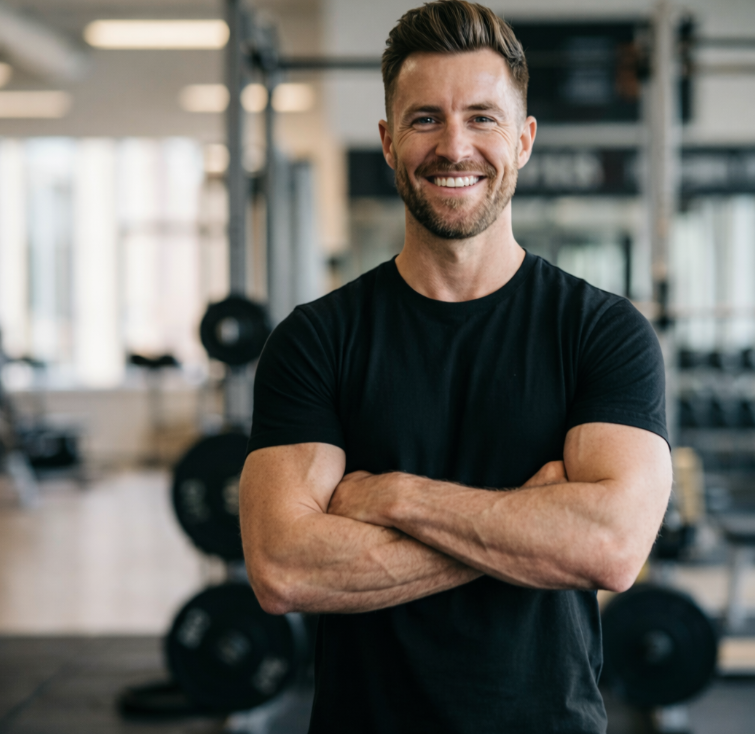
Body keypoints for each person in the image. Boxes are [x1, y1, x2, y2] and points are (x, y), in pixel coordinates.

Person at [239, 2, 672, 731]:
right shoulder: (315, 340)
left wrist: (395, 497)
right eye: (424, 119)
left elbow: (609, 547)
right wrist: (531, 526)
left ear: (524, 139)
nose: (454, 146)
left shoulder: (602, 332)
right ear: (386, 140)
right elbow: (283, 567)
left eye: (482, 117)